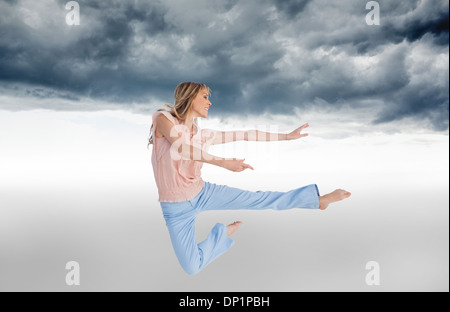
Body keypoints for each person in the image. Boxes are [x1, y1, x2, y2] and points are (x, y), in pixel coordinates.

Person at [147, 82, 351, 275]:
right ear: (190, 97)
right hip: (175, 208)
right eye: (205, 97)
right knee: (192, 267)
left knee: (260, 199)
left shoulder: (204, 135)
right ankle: (222, 235)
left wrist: (286, 136)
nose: (210, 102)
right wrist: (223, 162)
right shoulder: (162, 118)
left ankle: (316, 201)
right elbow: (182, 147)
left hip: (203, 192)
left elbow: (246, 134)